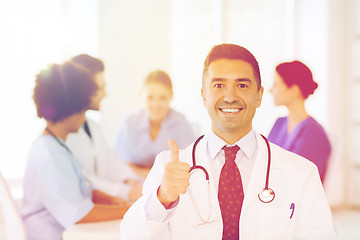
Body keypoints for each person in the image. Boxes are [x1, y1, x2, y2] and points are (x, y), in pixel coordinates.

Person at [119, 44, 336, 240]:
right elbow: (131, 235)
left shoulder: (302, 173)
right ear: (204, 96)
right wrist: (163, 198)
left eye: (242, 86)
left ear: (259, 96)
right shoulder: (168, 167)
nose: (230, 96)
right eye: (219, 85)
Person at [21, 61, 131, 240]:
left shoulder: (57, 147)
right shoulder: (49, 155)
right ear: (72, 108)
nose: (84, 116)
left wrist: (112, 201)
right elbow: (79, 214)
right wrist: (129, 210)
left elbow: (82, 190)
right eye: (84, 109)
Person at [66, 54, 142, 202]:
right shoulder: (64, 135)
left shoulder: (93, 127)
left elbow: (110, 160)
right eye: (100, 89)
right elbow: (82, 181)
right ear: (83, 90)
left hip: (98, 204)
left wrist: (129, 179)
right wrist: (127, 192)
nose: (105, 94)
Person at [113, 70, 196, 178]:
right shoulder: (130, 122)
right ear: (141, 95)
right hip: (134, 182)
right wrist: (149, 177)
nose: (156, 105)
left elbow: (189, 163)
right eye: (150, 98)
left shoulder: (181, 123)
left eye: (162, 98)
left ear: (171, 97)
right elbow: (120, 163)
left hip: (170, 183)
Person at [268, 60, 331, 182]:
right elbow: (264, 158)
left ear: (294, 90)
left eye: (276, 85)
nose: (271, 90)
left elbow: (297, 176)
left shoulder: (313, 132)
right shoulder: (279, 123)